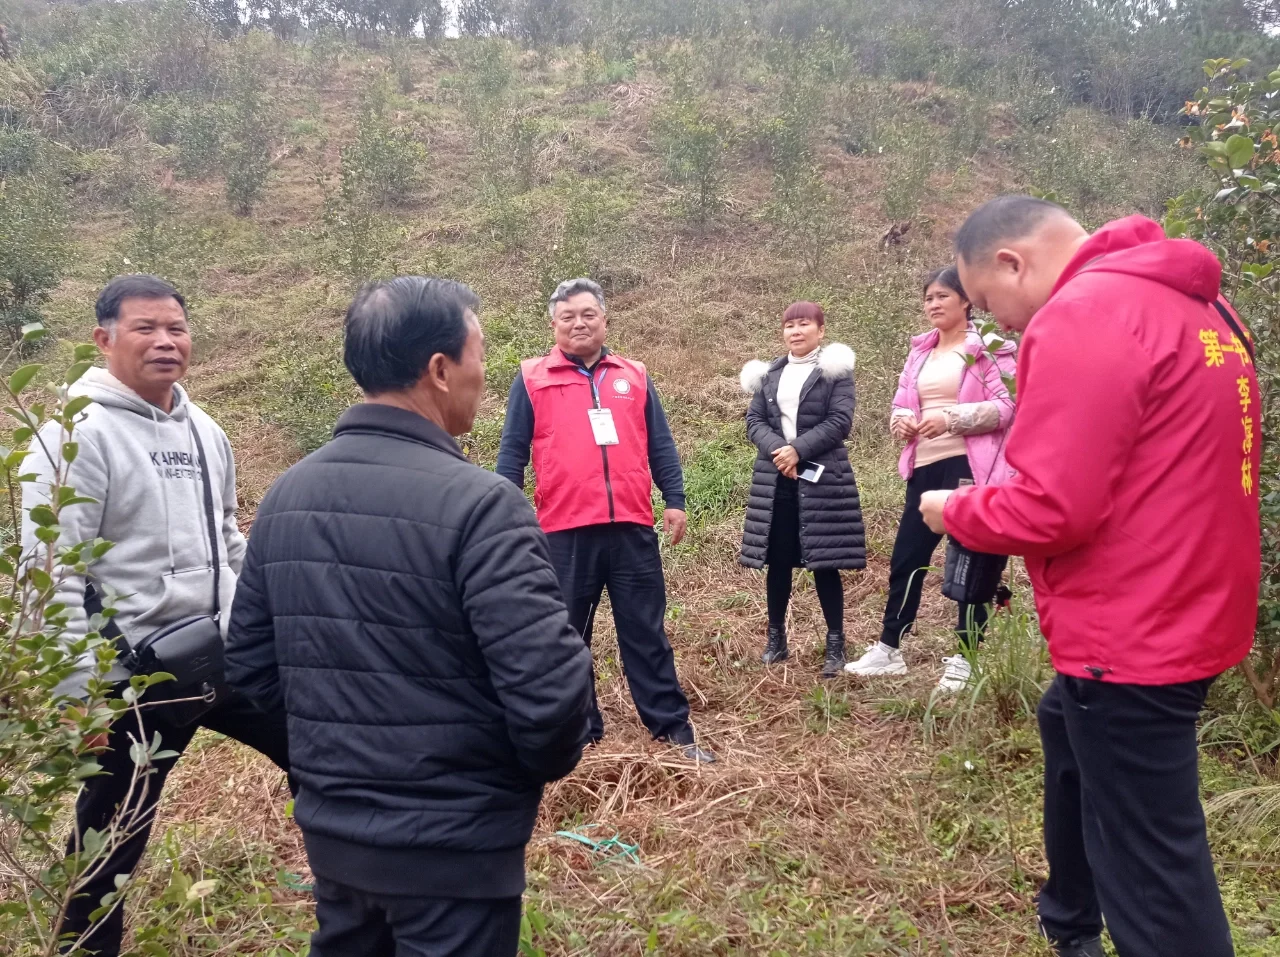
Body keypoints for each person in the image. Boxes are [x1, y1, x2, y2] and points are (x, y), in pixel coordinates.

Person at [919, 196, 1259, 957]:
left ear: (1013, 262)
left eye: (985, 303)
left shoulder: (1084, 314)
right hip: (1197, 600)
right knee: (1063, 724)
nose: (995, 324)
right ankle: (1069, 917)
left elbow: (1051, 508)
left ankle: (1099, 921)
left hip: (1133, 631)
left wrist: (955, 508)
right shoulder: (1199, 308)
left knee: (1154, 872)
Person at [225, 277, 593, 957]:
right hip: (456, 852)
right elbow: (550, 693)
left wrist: (328, 770)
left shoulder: (286, 495)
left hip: (336, 842)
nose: (485, 372)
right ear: (440, 368)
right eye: (479, 351)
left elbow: (249, 670)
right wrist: (505, 785)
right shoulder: (483, 506)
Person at [21, 274, 290, 957]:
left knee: (318, 747)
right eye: (146, 328)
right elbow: (51, 574)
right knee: (110, 837)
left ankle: (360, 891)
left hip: (221, 654)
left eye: (176, 327)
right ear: (103, 338)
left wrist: (266, 618)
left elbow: (228, 539)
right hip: (130, 679)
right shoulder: (73, 437)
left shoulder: (205, 430)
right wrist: (78, 700)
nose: (166, 341)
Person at [495, 277, 715, 764]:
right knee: (569, 634)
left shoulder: (632, 374)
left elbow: (659, 442)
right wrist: (503, 515)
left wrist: (674, 498)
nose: (579, 323)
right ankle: (581, 729)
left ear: (604, 319)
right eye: (568, 316)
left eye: (588, 314)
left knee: (646, 630)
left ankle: (671, 728)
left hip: (631, 526)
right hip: (563, 531)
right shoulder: (532, 377)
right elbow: (511, 453)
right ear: (553, 324)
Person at [845, 266, 1017, 691]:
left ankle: (967, 657)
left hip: (969, 468)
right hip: (925, 465)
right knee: (908, 558)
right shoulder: (921, 351)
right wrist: (902, 421)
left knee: (969, 561)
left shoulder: (988, 349)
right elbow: (902, 400)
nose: (933, 304)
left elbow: (1007, 406)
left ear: (965, 301)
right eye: (928, 298)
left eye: (942, 296)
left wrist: (951, 419)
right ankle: (890, 648)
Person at [738, 301, 864, 677]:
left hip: (822, 479)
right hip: (776, 477)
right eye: (789, 325)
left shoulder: (834, 373)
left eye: (804, 324)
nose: (796, 331)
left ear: (820, 330)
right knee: (777, 561)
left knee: (825, 563)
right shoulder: (771, 375)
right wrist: (780, 452)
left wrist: (799, 450)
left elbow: (840, 421)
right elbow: (754, 420)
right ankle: (776, 641)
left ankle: (835, 645)